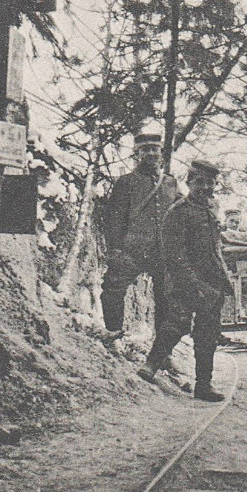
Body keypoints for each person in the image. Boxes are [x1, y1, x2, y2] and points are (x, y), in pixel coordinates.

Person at [137, 160, 233, 402]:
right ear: (189, 183)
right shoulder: (179, 211)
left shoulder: (212, 207)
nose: (205, 187)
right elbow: (173, 254)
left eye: (210, 183)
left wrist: (223, 278)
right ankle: (151, 364)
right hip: (185, 278)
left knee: (207, 334)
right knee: (177, 322)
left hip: (212, 281)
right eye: (199, 182)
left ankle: (204, 385)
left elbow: (215, 246)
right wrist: (190, 283)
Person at [100, 131, 178, 342]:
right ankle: (113, 334)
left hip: (161, 251)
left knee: (166, 298)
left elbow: (179, 215)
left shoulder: (170, 183)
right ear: (136, 154)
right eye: (145, 150)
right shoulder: (126, 183)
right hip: (131, 249)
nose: (151, 154)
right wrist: (114, 249)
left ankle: (161, 347)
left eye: (155, 149)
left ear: (161, 153)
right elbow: (113, 218)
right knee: (112, 288)